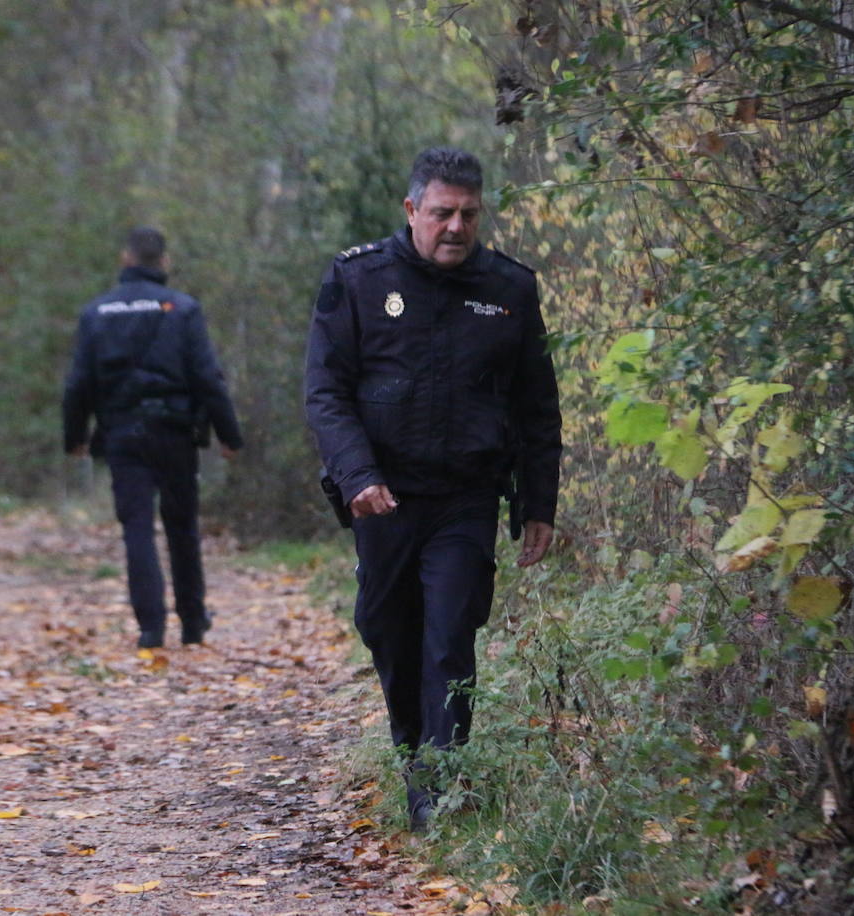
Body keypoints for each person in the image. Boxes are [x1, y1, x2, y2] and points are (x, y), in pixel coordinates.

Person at [303, 147, 562, 831]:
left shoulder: (508, 290)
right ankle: (413, 757)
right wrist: (358, 474)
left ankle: (438, 797)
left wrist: (540, 504)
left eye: (468, 215)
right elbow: (325, 391)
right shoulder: (358, 280)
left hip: (466, 498)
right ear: (412, 210)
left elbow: (538, 407)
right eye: (442, 212)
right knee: (388, 631)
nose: (455, 227)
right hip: (382, 497)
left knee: (450, 638)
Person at [63, 226, 242, 649]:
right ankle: (193, 621)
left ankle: (150, 627)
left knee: (137, 529)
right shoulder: (182, 309)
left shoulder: (97, 312)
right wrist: (228, 434)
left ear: (125, 259)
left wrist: (76, 436)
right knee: (182, 527)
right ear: (163, 262)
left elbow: (78, 383)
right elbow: (208, 379)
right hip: (175, 433)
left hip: (123, 434)